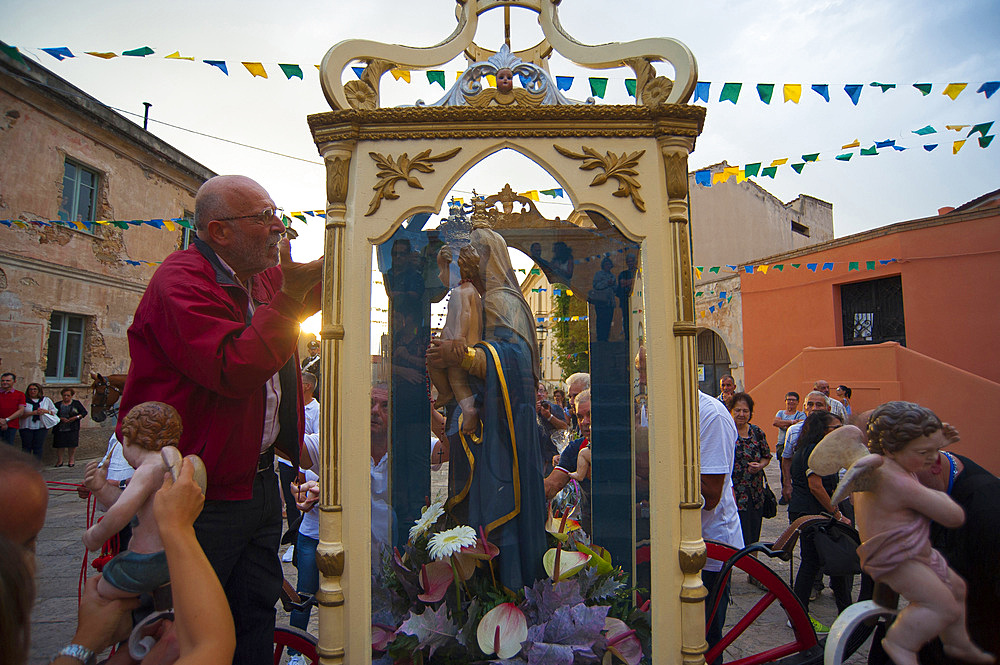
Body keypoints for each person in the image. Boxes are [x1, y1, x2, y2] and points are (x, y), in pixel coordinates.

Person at [115, 174, 323, 664]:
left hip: (256, 486)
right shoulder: (181, 281)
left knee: (253, 614)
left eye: (277, 214)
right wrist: (292, 297)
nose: (279, 228)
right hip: (196, 497)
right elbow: (236, 368)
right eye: (263, 218)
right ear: (219, 231)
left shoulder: (263, 277)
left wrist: (353, 250)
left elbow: (308, 293)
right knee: (193, 630)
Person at [426, 206, 547, 590]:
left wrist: (461, 356)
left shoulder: (501, 301)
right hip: (489, 423)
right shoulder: (477, 297)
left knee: (499, 511)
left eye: (471, 255)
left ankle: (504, 587)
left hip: (504, 429)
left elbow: (515, 362)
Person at [83, 402, 183, 599]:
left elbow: (121, 513)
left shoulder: (148, 468)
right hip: (170, 557)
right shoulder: (168, 459)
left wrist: (94, 537)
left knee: (98, 593)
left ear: (129, 438)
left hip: (146, 560)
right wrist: (101, 488)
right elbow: (132, 504)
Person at [787, 410, 850, 635]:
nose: (838, 432)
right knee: (819, 562)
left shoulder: (803, 449)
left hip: (804, 512)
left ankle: (799, 613)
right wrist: (837, 514)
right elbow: (816, 486)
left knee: (811, 563)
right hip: (814, 514)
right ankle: (801, 614)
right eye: (835, 428)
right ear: (823, 430)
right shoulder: (816, 452)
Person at [698, 390, 744, 659]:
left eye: (646, 371)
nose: (641, 379)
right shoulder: (652, 407)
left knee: (706, 638)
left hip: (710, 544)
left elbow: (710, 495)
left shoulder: (711, 415)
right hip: (686, 538)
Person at [429, 243, 484, 434]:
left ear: (453, 268)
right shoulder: (471, 291)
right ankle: (449, 395)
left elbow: (464, 314)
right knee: (452, 372)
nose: (439, 275)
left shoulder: (460, 292)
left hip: (461, 346)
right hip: (466, 343)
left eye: (440, 269)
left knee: (450, 372)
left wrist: (459, 337)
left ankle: (462, 405)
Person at [728, 392, 772, 553]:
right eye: (737, 410)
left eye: (745, 411)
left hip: (754, 492)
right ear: (731, 411)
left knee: (753, 533)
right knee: (733, 533)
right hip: (733, 493)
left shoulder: (756, 432)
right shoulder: (727, 430)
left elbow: (767, 456)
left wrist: (759, 466)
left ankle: (753, 568)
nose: (741, 414)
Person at [545, 390, 593, 529]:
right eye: (579, 416)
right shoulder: (575, 448)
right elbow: (551, 487)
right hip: (590, 528)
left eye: (590, 414)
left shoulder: (624, 444)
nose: (585, 422)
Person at [780, 391, 828, 501]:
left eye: (819, 405)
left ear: (827, 408)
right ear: (804, 407)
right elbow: (787, 459)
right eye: (810, 404)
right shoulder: (794, 431)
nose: (814, 408)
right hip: (801, 489)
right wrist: (787, 484)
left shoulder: (833, 430)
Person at [536, 381, 568, 475]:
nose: (539, 394)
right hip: (536, 456)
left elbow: (564, 427)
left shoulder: (555, 408)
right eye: (536, 391)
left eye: (541, 391)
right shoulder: (527, 409)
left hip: (552, 456)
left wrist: (549, 416)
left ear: (546, 394)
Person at [19, 383, 56, 461]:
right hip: (26, 427)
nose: (33, 391)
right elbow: (20, 414)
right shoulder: (24, 400)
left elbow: (54, 411)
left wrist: (45, 411)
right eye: (31, 389)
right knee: (26, 447)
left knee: (38, 447)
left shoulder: (46, 400)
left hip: (41, 427)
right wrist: (33, 413)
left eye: (35, 389)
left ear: (39, 390)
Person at [53, 388, 88, 467]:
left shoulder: (76, 403)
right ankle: (60, 460)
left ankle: (71, 460)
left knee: (72, 445)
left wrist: (76, 417)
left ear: (71, 396)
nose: (66, 397)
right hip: (60, 427)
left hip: (72, 427)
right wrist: (60, 418)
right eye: (64, 395)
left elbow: (84, 412)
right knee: (60, 445)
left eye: (68, 395)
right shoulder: (57, 405)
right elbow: (53, 414)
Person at [589, 256, 617, 342]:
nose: (608, 266)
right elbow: (596, 286)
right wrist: (606, 283)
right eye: (606, 264)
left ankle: (606, 337)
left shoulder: (612, 276)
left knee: (608, 320)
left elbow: (616, 289)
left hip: (610, 302)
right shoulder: (598, 274)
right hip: (601, 302)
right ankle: (600, 337)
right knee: (601, 320)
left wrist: (613, 285)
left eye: (609, 264)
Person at [772, 391, 805, 460]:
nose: (791, 402)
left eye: (793, 400)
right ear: (785, 401)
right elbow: (775, 422)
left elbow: (801, 424)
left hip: (795, 445)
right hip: (781, 444)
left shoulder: (801, 414)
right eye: (789, 399)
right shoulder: (780, 413)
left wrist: (783, 423)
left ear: (798, 402)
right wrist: (792, 422)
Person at [1, 371, 27, 447]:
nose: (4, 382)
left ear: (14, 381)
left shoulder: (20, 395)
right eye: (3, 380)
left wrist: (6, 420)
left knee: (7, 449)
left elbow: (21, 411)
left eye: (7, 380)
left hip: (11, 425)